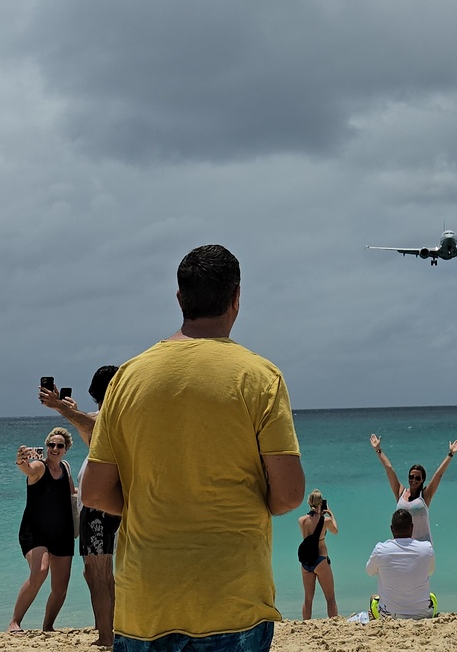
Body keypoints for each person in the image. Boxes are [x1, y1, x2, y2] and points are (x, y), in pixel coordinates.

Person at [81, 244, 304, 652]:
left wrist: (149, 504)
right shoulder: (261, 377)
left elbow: (94, 492)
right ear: (236, 298)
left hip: (145, 601)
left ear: (180, 297)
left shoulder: (128, 378)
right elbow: (288, 495)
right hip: (233, 598)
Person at [41, 364, 123, 647]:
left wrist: (60, 408)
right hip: (106, 504)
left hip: (99, 507)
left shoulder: (108, 417)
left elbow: (94, 426)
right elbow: (90, 428)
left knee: (98, 574)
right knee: (97, 573)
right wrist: (69, 412)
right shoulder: (118, 416)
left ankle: (106, 636)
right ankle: (110, 630)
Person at [10, 426, 79, 633]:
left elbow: (72, 493)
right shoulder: (40, 467)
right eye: (51, 444)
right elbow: (28, 470)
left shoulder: (66, 468)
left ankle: (48, 626)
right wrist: (21, 461)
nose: (55, 448)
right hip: (35, 532)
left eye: (59, 446)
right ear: (46, 446)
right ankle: (15, 622)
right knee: (40, 571)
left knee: (60, 587)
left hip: (62, 533)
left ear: (66, 449)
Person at [369, 433, 457, 541]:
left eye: (417, 478)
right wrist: (378, 449)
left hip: (422, 545)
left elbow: (438, 474)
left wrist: (450, 454)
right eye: (411, 477)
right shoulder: (400, 492)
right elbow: (389, 469)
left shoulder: (425, 495)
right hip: (402, 544)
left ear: (422, 480)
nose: (414, 480)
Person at [366, 508, 437, 619]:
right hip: (423, 614)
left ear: (391, 529)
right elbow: (430, 572)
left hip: (389, 615)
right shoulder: (426, 548)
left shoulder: (380, 549)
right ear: (412, 527)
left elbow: (370, 571)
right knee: (432, 597)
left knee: (373, 599)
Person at [296, 491, 338, 619]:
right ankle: (333, 622)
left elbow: (311, 526)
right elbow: (335, 530)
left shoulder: (301, 520)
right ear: (321, 503)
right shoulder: (325, 521)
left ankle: (306, 624)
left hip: (306, 561)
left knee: (308, 599)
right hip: (320, 560)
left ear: (309, 502)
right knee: (330, 598)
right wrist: (331, 514)